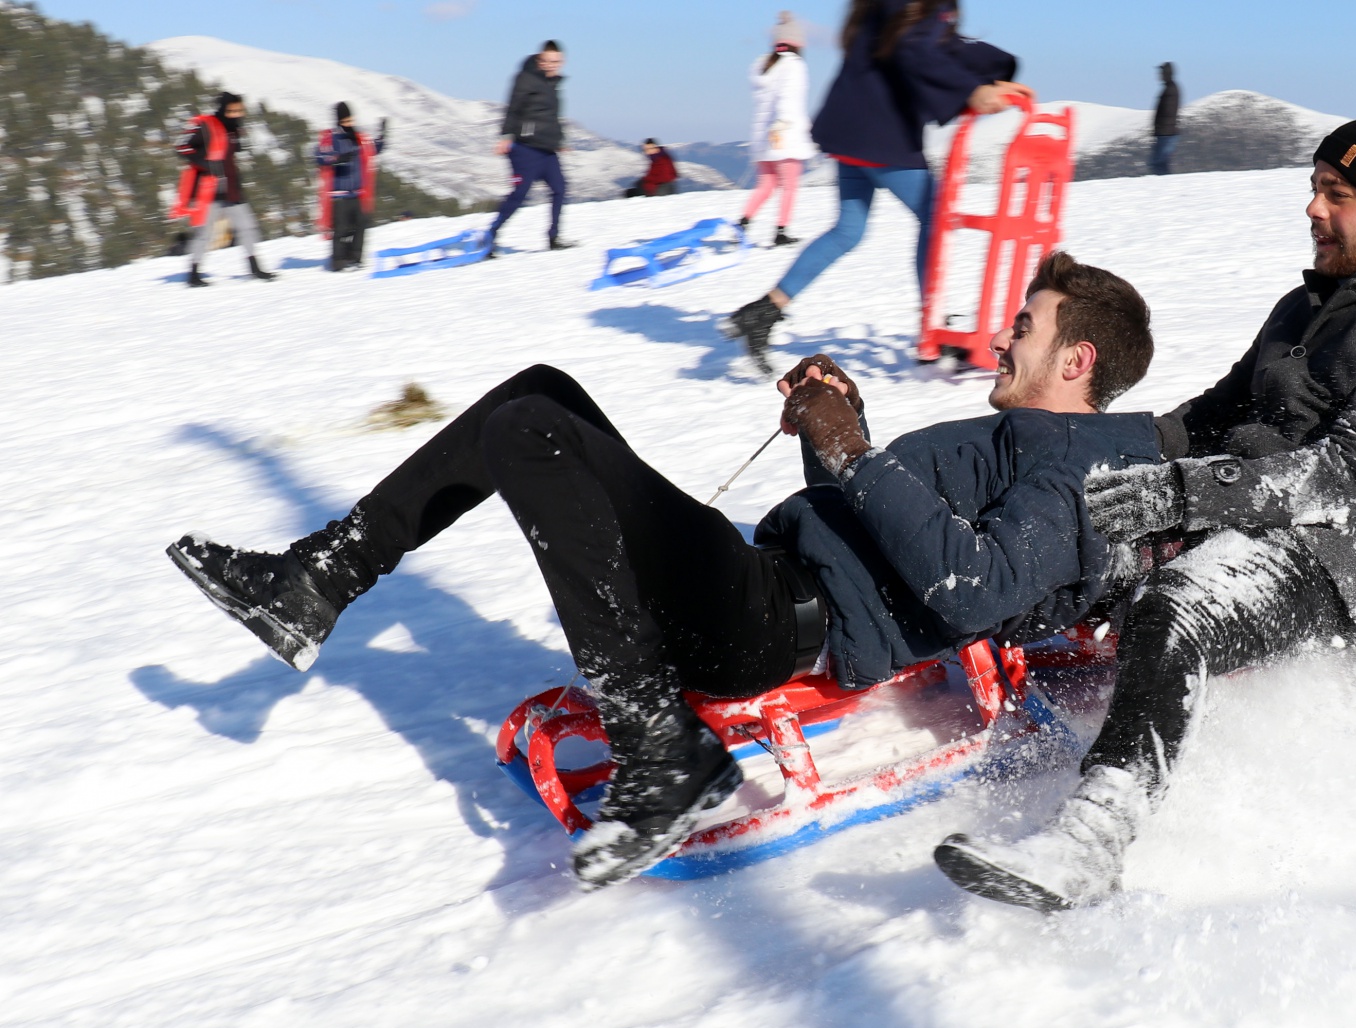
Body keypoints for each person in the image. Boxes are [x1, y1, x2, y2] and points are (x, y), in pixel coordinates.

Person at [165, 252, 1160, 892]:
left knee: (530, 431)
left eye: (1022, 327)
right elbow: (890, 528)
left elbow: (973, 589)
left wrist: (853, 451)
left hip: (769, 621)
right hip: (764, 578)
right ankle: (317, 578)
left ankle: (661, 749)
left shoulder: (1070, 468)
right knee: (540, 393)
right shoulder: (1021, 440)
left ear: (1074, 360)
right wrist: (832, 430)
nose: (1001, 335)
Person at [934, 112, 1356, 913]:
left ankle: (1093, 841)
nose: (1312, 208)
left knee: (1178, 604)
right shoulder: (1303, 307)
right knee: (1063, 531)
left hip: (1332, 559)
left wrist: (1182, 493)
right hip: (1227, 514)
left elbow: (1344, 475)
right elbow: (1208, 418)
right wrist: (1075, 444)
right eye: (1314, 188)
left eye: (1336, 194)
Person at [722, 0, 1029, 374]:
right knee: (935, 219)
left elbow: (937, 44)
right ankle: (932, 333)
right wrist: (970, 91)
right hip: (880, 136)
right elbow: (917, 49)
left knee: (847, 230)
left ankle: (762, 312)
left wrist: (998, 66)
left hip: (852, 132)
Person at [171, 93, 277, 287]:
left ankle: (255, 268)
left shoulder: (234, 129)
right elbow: (181, 147)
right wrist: (204, 164)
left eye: (238, 110)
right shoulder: (205, 125)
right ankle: (193, 274)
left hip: (232, 189)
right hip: (208, 190)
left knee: (247, 227)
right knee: (204, 234)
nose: (236, 114)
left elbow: (231, 156)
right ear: (222, 109)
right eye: (231, 111)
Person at [739, 11, 816, 248]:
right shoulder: (794, 65)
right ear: (798, 43)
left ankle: (742, 224)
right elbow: (788, 98)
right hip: (784, 134)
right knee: (789, 185)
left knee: (767, 185)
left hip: (763, 137)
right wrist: (783, 124)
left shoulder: (765, 65)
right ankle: (781, 231)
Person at [490, 40, 570, 253]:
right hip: (525, 149)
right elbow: (513, 107)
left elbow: (551, 117)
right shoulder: (526, 78)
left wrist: (559, 140)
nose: (552, 65)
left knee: (560, 189)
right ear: (539, 59)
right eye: (548, 61)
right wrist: (506, 135)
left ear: (562, 61)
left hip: (547, 149)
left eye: (556, 61)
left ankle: (553, 238)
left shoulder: (552, 83)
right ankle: (491, 234)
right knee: (520, 194)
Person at [315, 103, 388, 271]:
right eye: (346, 120)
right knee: (340, 229)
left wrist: (382, 137)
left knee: (361, 225)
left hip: (357, 192)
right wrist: (337, 158)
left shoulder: (358, 138)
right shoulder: (330, 139)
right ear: (339, 120)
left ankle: (355, 259)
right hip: (339, 194)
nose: (349, 123)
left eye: (351, 120)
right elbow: (320, 156)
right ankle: (338, 262)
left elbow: (372, 149)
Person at [1151, 63, 1181, 176]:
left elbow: (1168, 112)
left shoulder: (1170, 89)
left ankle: (1165, 188)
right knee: (1159, 163)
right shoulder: (1169, 88)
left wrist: (1159, 127)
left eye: (1161, 72)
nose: (1159, 75)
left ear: (1166, 73)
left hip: (1166, 132)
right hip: (1166, 132)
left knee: (1158, 163)